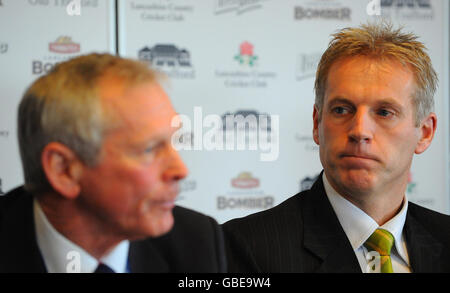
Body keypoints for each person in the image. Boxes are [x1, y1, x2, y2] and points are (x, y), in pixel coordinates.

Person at [223, 22, 450, 273]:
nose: (360, 130)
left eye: (384, 112)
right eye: (341, 109)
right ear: (317, 122)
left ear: (425, 133)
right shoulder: (242, 247)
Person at [0, 53, 226, 273]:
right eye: (149, 149)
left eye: (175, 141)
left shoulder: (195, 241)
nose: (181, 170)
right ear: (64, 170)